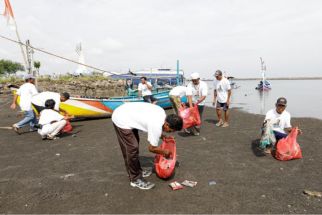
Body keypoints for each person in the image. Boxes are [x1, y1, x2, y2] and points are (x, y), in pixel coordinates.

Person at [112, 102, 183, 190]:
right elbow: (151, 148)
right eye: (170, 130)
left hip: (128, 114)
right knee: (132, 148)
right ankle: (135, 179)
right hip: (121, 118)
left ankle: (137, 170)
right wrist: (165, 152)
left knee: (134, 145)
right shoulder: (156, 124)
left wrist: (163, 136)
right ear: (167, 124)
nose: (170, 132)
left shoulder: (162, 115)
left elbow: (153, 128)